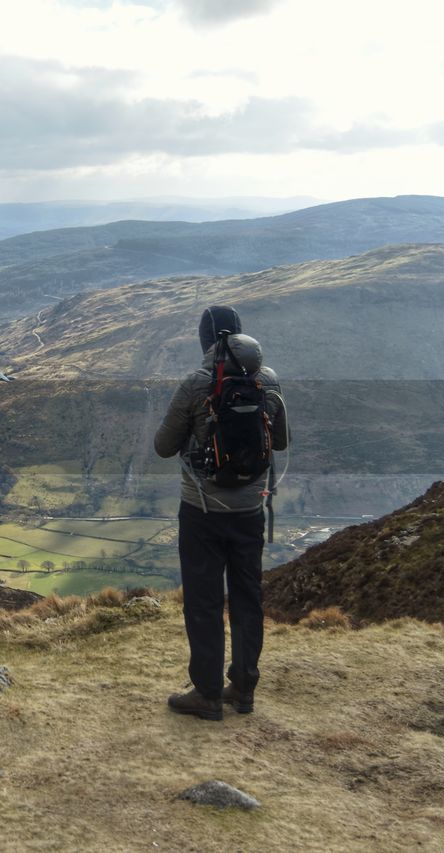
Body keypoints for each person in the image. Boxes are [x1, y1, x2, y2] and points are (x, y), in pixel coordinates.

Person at [153, 305, 289, 721]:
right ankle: (244, 687)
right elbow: (279, 443)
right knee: (248, 598)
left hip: (202, 510)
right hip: (250, 512)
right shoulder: (267, 380)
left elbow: (163, 445)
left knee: (204, 601)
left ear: (204, 340)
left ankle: (208, 694)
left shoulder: (196, 384)